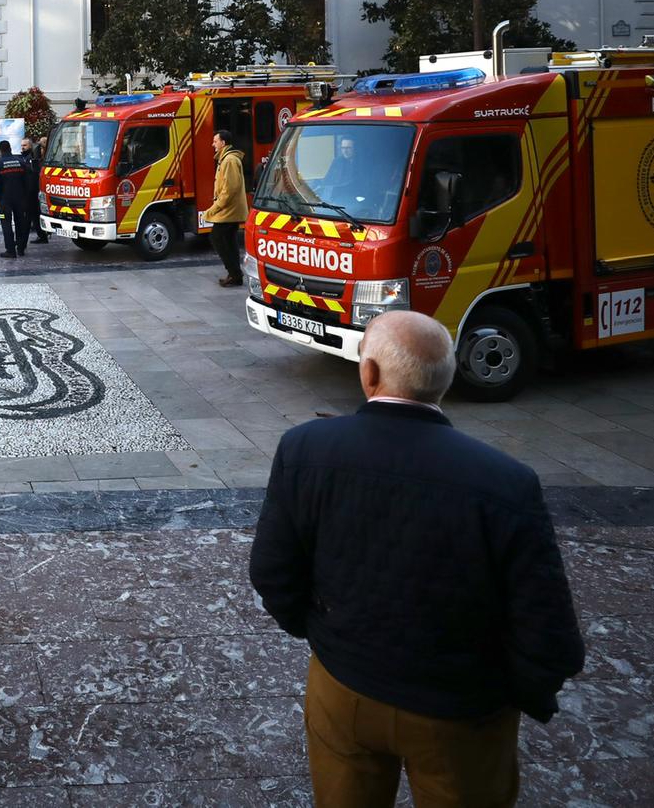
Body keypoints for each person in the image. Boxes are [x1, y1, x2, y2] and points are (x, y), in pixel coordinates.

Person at [249, 311, 585, 808]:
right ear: (445, 379)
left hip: (343, 687)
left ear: (369, 374)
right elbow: (549, 630)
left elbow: (272, 572)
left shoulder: (306, 449)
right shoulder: (506, 482)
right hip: (461, 708)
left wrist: (326, 635)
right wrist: (508, 693)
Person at [204, 130, 249, 289]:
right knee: (229, 241)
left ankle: (234, 273)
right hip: (231, 210)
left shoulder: (229, 160)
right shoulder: (226, 159)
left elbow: (230, 189)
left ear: (223, 143)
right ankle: (235, 275)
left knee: (218, 237)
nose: (213, 144)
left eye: (215, 141)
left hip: (229, 210)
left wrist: (214, 208)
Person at [0, 140, 33, 258]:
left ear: (1, 150)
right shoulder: (21, 162)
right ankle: (20, 248)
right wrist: (26, 196)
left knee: (6, 224)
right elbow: (28, 181)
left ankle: (10, 250)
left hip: (5, 200)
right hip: (20, 199)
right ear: (10, 148)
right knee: (20, 223)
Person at [23, 138, 52, 243]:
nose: (22, 147)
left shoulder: (35, 159)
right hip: (33, 191)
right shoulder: (30, 158)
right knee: (35, 215)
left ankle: (22, 243)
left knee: (30, 216)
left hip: (34, 191)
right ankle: (42, 236)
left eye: (25, 145)